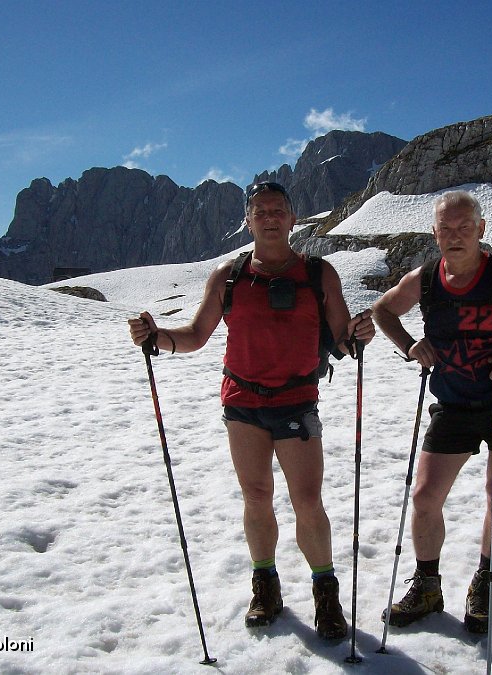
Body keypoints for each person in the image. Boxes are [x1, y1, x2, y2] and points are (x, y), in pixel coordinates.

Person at [128, 181, 375, 640]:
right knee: (256, 496)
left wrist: (358, 334)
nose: (270, 216)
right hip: (242, 402)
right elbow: (198, 334)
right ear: (248, 221)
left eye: (278, 209)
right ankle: (266, 585)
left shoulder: (320, 274)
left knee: (307, 502)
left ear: (293, 219)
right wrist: (158, 338)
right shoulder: (228, 275)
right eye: (260, 210)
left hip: (297, 402)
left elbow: (342, 339)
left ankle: (325, 593)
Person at [372, 190, 492, 633]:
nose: (455, 236)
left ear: (481, 229)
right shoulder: (425, 279)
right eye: (447, 229)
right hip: (454, 402)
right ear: (435, 233)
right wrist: (409, 346)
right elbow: (383, 310)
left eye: (464, 227)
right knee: (424, 497)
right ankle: (427, 585)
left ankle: (484, 582)